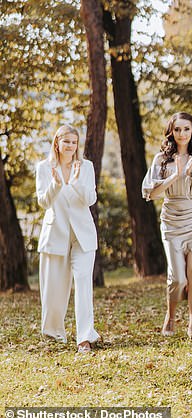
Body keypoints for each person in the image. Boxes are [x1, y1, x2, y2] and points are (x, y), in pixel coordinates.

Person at [142, 112, 192, 341]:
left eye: (187, 129)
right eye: (178, 129)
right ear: (171, 132)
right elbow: (151, 193)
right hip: (172, 220)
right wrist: (177, 176)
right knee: (177, 279)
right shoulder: (161, 160)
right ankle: (171, 315)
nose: (182, 134)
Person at [36, 125, 100, 353]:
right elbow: (43, 202)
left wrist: (75, 181)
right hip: (56, 233)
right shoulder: (44, 167)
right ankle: (54, 332)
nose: (71, 146)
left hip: (83, 235)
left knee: (83, 283)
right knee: (54, 288)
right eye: (67, 142)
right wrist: (56, 184)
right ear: (57, 143)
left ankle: (84, 337)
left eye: (74, 142)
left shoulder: (86, 167)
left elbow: (91, 199)